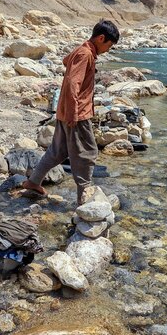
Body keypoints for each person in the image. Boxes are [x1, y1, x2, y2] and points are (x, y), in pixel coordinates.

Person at [22, 20, 120, 203]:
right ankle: (84, 198)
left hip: (64, 111)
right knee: (87, 153)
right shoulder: (85, 54)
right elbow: (72, 83)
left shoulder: (81, 50)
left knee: (58, 152)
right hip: (76, 114)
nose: (108, 49)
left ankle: (34, 182)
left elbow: (66, 61)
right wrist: (74, 114)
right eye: (109, 45)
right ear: (101, 38)